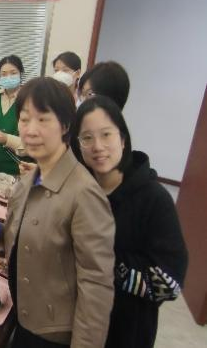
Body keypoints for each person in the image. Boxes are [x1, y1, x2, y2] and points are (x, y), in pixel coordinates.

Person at [0, 77, 116, 348]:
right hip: (22, 317)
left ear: (65, 125)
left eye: (43, 119)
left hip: (54, 335)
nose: (31, 130)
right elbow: (13, 240)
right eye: (24, 120)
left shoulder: (85, 194)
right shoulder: (27, 182)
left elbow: (96, 287)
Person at [72, 96, 187, 348]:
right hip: (79, 325)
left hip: (127, 331)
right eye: (87, 138)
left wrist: (102, 264)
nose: (97, 146)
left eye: (106, 134)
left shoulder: (154, 199)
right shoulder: (81, 192)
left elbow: (169, 284)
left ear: (123, 139)